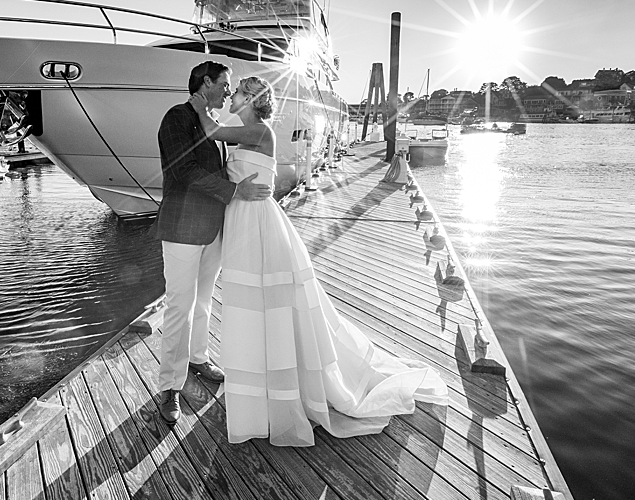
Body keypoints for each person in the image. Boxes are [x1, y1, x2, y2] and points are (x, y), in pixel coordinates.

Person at [193, 76, 449, 446]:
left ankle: (278, 389)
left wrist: (201, 106)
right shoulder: (247, 130)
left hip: (257, 223)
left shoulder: (260, 131)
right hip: (243, 219)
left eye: (237, 93)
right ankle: (260, 385)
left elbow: (212, 132)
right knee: (254, 303)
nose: (231, 96)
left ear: (251, 99)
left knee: (270, 302)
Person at [150, 61, 271, 426]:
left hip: (212, 228)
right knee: (178, 307)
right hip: (183, 229)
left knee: (202, 303)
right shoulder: (176, 118)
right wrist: (235, 190)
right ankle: (169, 387)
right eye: (224, 84)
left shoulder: (214, 125)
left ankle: (198, 359)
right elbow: (183, 172)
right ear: (206, 83)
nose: (227, 91)